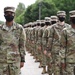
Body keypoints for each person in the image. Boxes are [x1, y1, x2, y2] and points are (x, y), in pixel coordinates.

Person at [0, 6, 26, 75]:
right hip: (2, 61)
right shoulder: (0, 28)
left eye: (11, 13)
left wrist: (22, 59)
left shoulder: (19, 28)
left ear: (14, 14)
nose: (9, 15)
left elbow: (22, 44)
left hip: (15, 61)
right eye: (7, 13)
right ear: (4, 15)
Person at [60, 10, 75, 75]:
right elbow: (63, 47)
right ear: (70, 19)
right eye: (73, 18)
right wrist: (62, 60)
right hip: (69, 61)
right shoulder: (65, 31)